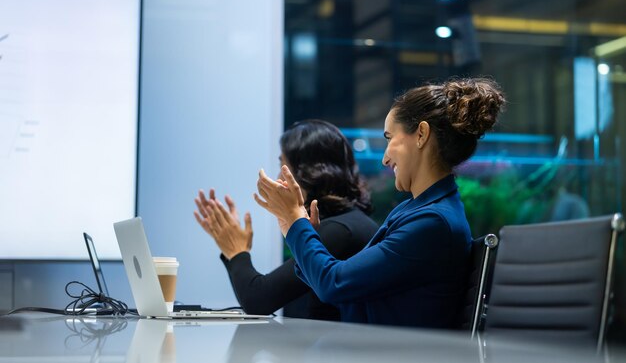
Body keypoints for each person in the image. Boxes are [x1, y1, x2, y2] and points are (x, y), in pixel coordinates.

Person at [254, 77, 506, 328]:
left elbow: (334, 284)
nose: (385, 159)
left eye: (389, 138)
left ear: (421, 134)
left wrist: (296, 223)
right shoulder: (418, 211)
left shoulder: (433, 222)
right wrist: (295, 228)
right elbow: (339, 285)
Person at [193, 119, 378, 320]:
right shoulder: (348, 223)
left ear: (305, 172)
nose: (278, 177)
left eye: (283, 165)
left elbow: (258, 300)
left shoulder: (340, 231)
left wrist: (237, 252)